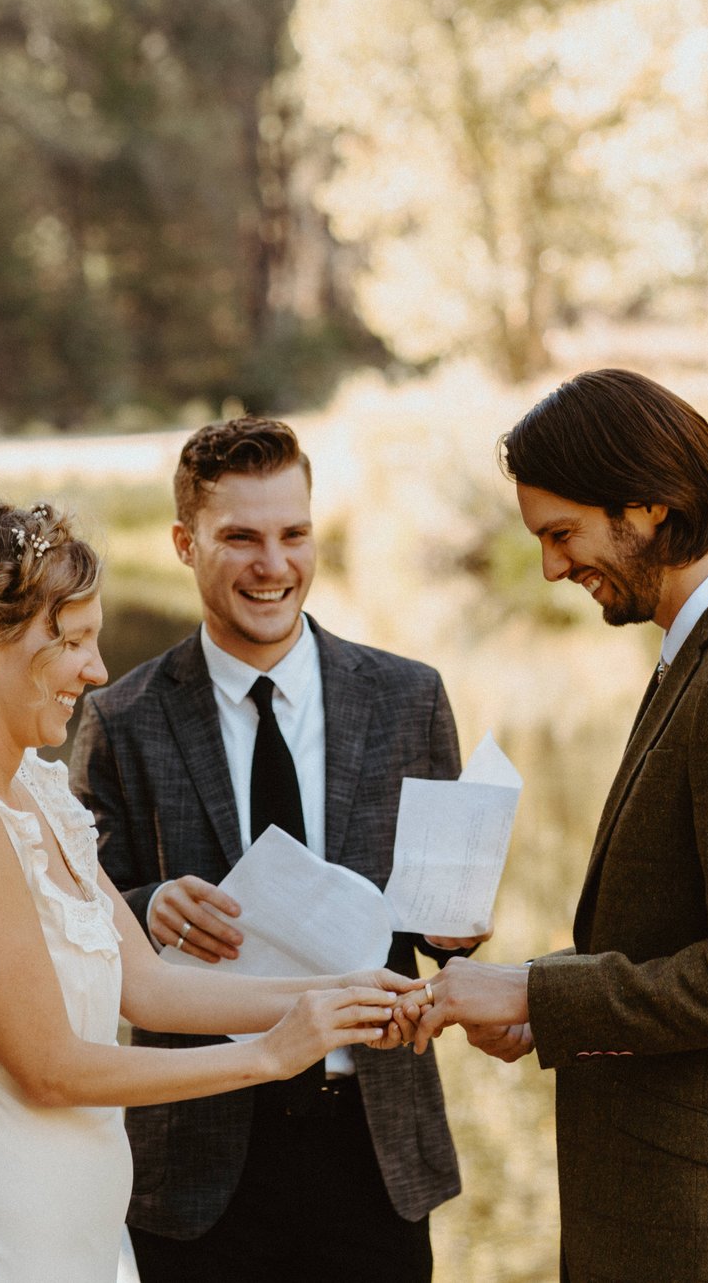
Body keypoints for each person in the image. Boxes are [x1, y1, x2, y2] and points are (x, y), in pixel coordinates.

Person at [0, 499, 418, 1283]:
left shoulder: (34, 789)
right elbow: (51, 1067)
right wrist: (269, 1054)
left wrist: (344, 994)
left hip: (81, 1214)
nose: (97, 671)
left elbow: (150, 985)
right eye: (75, 642)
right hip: (1, 1222)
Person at [407, 370, 708, 1283]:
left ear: (651, 503)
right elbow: (681, 935)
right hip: (689, 1212)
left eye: (561, 533)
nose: (549, 565)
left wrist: (540, 999)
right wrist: (538, 993)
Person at [67, 417, 476, 1282]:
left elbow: (441, 929)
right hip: (196, 1155)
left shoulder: (411, 699)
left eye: (293, 534)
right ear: (185, 543)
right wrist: (146, 908)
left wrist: (460, 932)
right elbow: (70, 923)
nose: (273, 565)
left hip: (375, 1147)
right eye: (240, 537)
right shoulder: (120, 721)